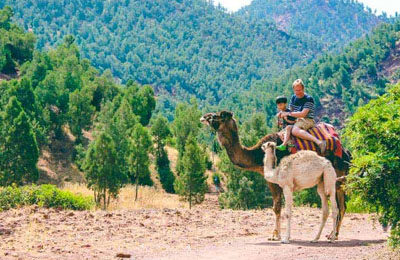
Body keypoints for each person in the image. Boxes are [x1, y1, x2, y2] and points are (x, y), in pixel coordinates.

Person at [278, 79, 327, 153]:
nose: (298, 92)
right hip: (298, 120)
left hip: (307, 119)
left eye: (299, 90)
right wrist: (283, 112)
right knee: (287, 128)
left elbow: (303, 114)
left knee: (294, 131)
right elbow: (291, 110)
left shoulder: (308, 99)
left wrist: (288, 114)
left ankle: (319, 142)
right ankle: (285, 145)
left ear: (303, 88)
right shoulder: (294, 97)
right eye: (296, 90)